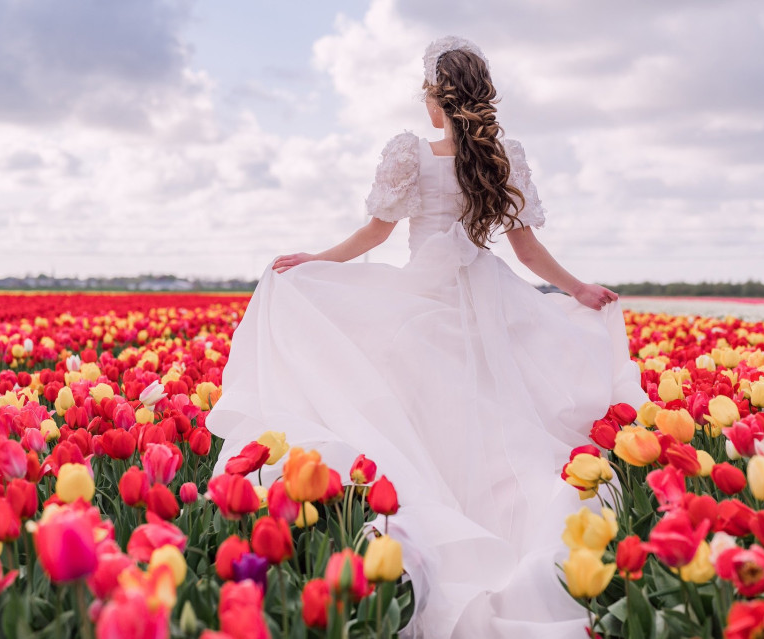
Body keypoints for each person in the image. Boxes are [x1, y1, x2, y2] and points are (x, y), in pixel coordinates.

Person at [207, 35, 649, 639]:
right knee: (494, 425)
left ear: (435, 99)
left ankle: (437, 542)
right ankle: (503, 537)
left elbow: (375, 235)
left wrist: (319, 262)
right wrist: (575, 290)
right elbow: (525, 249)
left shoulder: (410, 152)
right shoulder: (504, 155)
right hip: (490, 301)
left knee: (426, 418)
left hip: (422, 300)